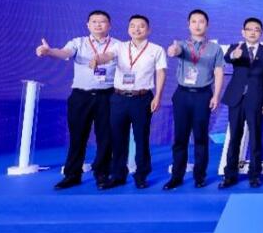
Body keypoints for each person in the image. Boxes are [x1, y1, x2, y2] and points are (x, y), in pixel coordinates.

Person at [35, 10, 118, 190]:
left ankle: (102, 174)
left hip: (108, 96)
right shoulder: (78, 42)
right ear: (87, 25)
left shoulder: (118, 45)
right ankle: (72, 175)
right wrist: (49, 51)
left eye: (102, 22)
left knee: (106, 137)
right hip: (81, 96)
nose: (98, 25)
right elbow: (64, 53)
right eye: (94, 21)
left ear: (109, 25)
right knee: (77, 136)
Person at [91, 14, 166, 190]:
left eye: (141, 26)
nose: (136, 29)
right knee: (117, 138)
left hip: (142, 98)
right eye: (132, 25)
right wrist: (97, 59)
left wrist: (158, 96)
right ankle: (118, 175)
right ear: (128, 29)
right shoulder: (120, 46)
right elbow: (108, 56)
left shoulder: (156, 49)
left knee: (141, 138)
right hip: (119, 98)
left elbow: (161, 72)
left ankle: (141, 175)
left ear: (148, 30)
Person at [164, 9, 225, 190]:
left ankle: (200, 176)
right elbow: (175, 51)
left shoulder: (214, 48)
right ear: (188, 24)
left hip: (203, 95)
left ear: (207, 25)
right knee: (180, 138)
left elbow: (218, 72)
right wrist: (172, 50)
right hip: (182, 95)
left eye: (201, 21)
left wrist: (216, 95)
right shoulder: (182, 45)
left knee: (200, 137)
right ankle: (177, 176)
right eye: (194, 21)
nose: (197, 25)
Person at [219, 17, 263, 189]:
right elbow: (227, 58)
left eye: (256, 29)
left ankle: (255, 175)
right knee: (235, 137)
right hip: (236, 99)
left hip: (256, 100)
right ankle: (230, 175)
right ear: (243, 32)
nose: (252, 32)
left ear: (261, 33)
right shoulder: (235, 48)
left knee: (255, 138)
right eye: (249, 29)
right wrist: (233, 56)